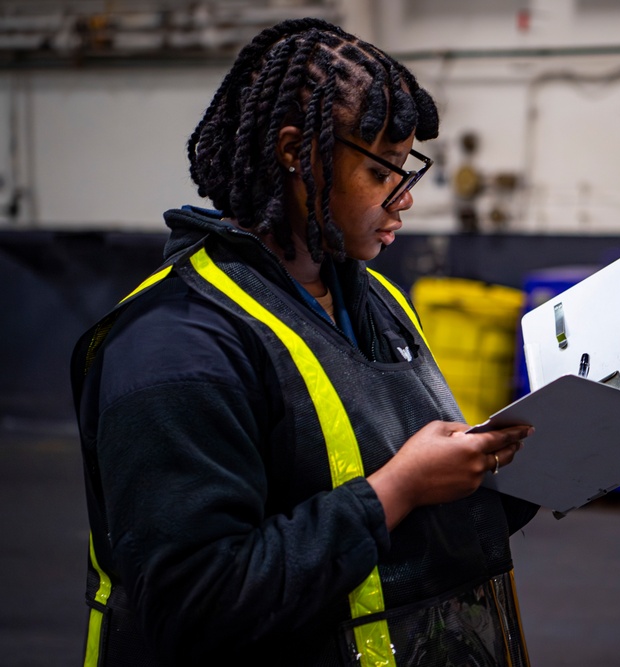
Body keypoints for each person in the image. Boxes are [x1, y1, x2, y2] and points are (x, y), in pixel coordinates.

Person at [71, 18, 537, 667]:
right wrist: (396, 489)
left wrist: (534, 471)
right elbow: (193, 604)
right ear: (298, 152)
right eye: (381, 173)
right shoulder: (174, 346)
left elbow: (411, 525)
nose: (403, 201)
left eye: (407, 172)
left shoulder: (376, 302)